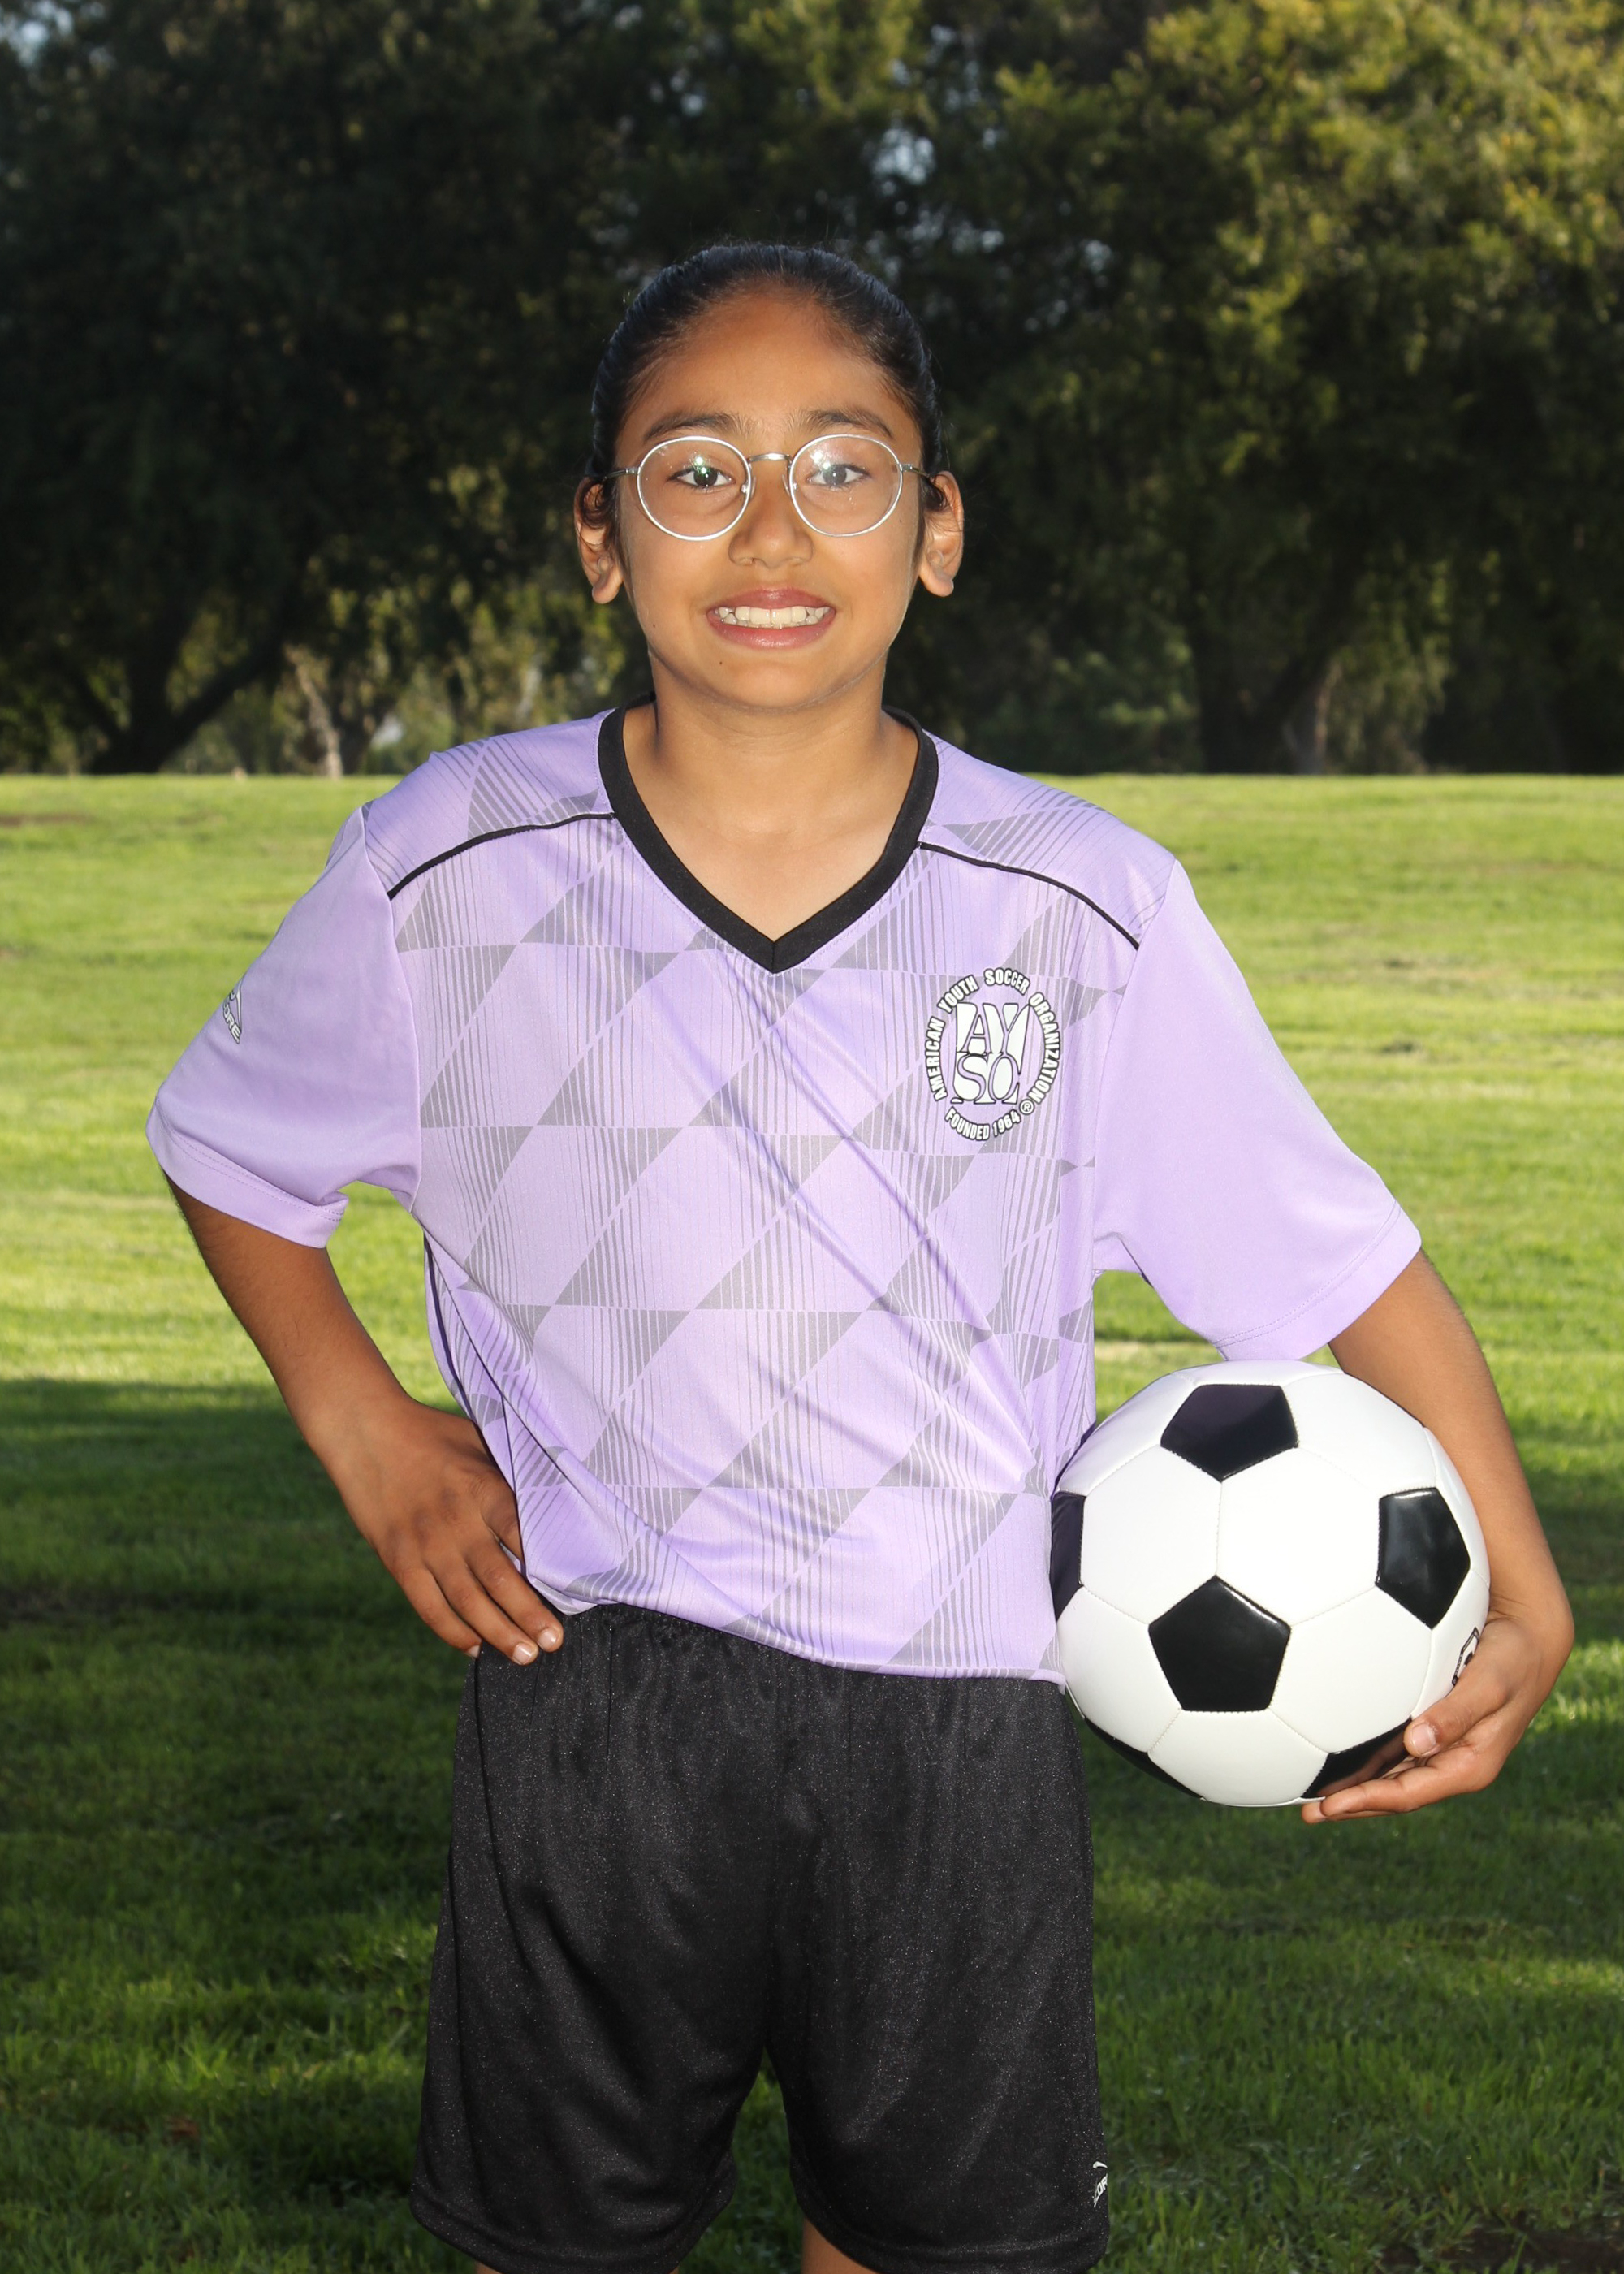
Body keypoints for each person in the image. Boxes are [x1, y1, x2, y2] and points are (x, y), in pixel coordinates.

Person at [147, 244, 1573, 2274]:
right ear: (598, 533)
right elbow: (229, 1145)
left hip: (957, 1715)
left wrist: (1520, 1580)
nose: (770, 530)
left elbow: (1339, 1264)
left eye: (841, 468)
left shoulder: (1080, 905)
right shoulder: (446, 860)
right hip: (588, 1690)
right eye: (695, 470)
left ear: (938, 528)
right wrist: (368, 1433)